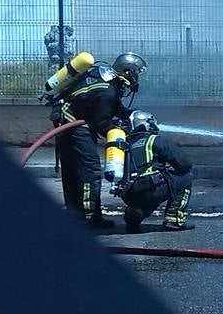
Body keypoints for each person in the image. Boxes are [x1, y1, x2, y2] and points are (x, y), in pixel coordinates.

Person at [52, 52, 147, 228]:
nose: (136, 78)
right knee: (90, 173)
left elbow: (112, 109)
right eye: (135, 73)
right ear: (127, 72)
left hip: (65, 125)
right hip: (77, 129)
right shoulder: (108, 91)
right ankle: (90, 218)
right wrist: (118, 131)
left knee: (72, 172)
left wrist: (132, 115)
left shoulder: (102, 77)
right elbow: (101, 122)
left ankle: (76, 216)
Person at [115, 111, 194, 233]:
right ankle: (174, 220)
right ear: (148, 124)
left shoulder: (125, 145)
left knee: (150, 192)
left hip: (128, 195)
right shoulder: (154, 140)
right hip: (151, 189)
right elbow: (184, 164)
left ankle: (135, 215)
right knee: (186, 177)